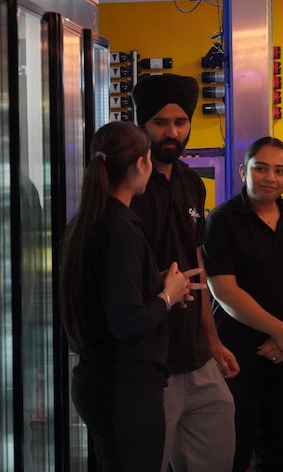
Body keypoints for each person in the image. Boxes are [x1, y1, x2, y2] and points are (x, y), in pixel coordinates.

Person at [59, 121, 198, 472]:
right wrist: (166, 297)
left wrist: (156, 285)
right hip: (126, 389)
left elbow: (104, 296)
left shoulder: (87, 223)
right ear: (141, 164)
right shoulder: (120, 229)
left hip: (103, 380)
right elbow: (126, 322)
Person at [130, 73, 238, 472]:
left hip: (196, 357)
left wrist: (212, 340)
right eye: (161, 122)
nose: (172, 132)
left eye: (180, 122)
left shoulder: (193, 183)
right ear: (142, 123)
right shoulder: (126, 184)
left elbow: (197, 265)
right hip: (148, 362)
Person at [201, 136, 283, 472]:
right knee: (234, 454)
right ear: (244, 172)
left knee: (278, 456)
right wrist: (280, 332)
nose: (270, 177)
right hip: (238, 359)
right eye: (261, 168)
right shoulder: (222, 220)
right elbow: (224, 290)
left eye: (280, 170)